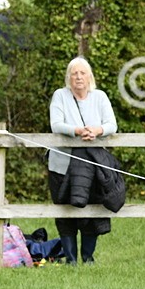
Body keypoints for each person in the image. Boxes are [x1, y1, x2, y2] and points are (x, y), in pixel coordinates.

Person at [48, 57, 118, 264]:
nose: (78, 77)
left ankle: (88, 258)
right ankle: (70, 259)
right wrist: (77, 131)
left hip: (93, 166)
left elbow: (112, 125)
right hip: (62, 166)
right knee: (64, 209)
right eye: (74, 73)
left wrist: (98, 130)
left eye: (82, 73)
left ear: (90, 77)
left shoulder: (100, 97)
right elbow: (56, 125)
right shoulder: (60, 96)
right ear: (68, 77)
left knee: (92, 209)